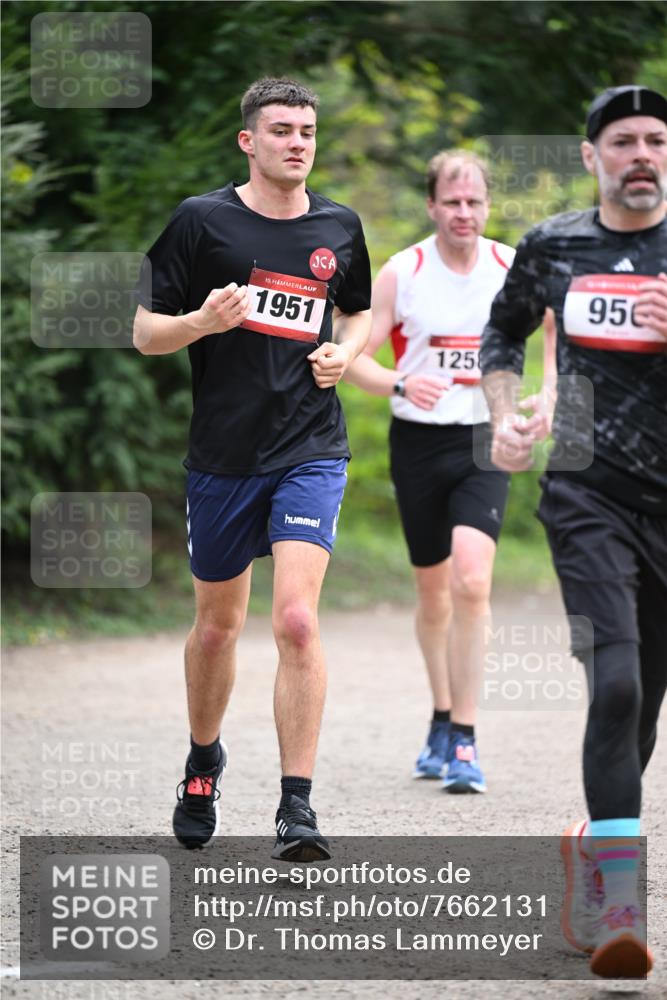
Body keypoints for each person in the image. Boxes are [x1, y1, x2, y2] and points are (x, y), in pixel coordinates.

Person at [133, 77, 371, 861]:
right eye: (280, 130)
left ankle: (295, 807)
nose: (296, 142)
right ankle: (204, 761)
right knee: (216, 628)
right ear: (249, 140)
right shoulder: (202, 222)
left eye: (306, 129)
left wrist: (346, 349)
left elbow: (357, 307)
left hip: (309, 447)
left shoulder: (339, 225)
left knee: (297, 620)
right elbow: (144, 333)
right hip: (223, 456)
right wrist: (199, 322)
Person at [480, 85, 667, 978]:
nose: (642, 155)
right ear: (590, 155)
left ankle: (595, 843)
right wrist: (505, 415)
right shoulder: (554, 244)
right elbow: (499, 335)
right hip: (587, 491)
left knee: (643, 707)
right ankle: (618, 913)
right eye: (623, 141)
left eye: (657, 141)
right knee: (618, 682)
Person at [345, 150, 556, 793]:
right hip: (417, 442)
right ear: (433, 205)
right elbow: (356, 357)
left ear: (487, 206)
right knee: (433, 592)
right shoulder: (403, 271)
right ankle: (440, 714)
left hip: (483, 438)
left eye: (475, 202)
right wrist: (401, 382)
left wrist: (549, 396)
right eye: (452, 202)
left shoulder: (513, 268)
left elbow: (558, 335)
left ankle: (464, 739)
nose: (464, 213)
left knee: (472, 579)